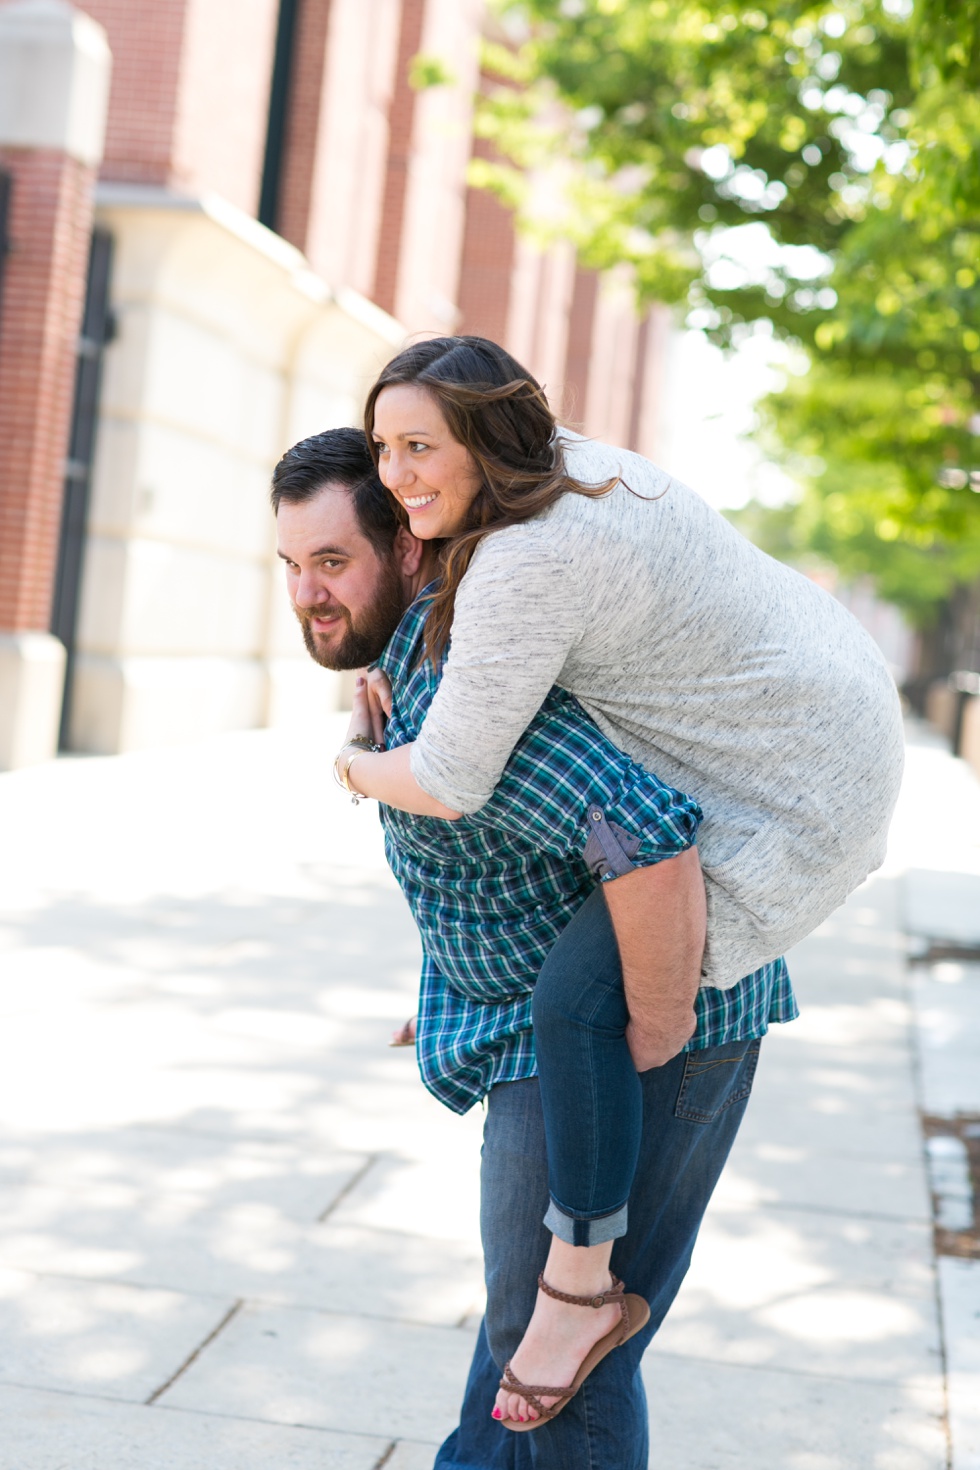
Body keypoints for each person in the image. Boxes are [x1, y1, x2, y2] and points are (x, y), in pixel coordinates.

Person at [272, 427, 800, 1466]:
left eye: (332, 562)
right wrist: (456, 989)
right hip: (548, 1028)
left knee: (565, 1361)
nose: (305, 594)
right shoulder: (413, 663)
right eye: (290, 566)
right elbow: (506, 863)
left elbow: (640, 833)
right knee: (526, 1339)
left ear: (412, 550)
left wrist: (656, 1028)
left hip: (641, 1038)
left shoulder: (451, 682)